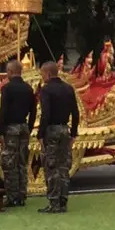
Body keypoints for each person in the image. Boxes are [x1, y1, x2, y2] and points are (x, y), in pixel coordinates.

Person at [37, 61, 80, 213]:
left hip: (51, 130)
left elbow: (45, 114)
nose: (42, 77)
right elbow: (75, 113)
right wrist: (73, 133)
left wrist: (40, 134)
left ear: (48, 74)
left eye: (42, 74)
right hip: (64, 129)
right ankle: (63, 202)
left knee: (51, 166)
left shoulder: (46, 90)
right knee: (63, 167)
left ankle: (53, 202)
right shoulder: (69, 88)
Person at [0, 59, 37, 205]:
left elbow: (3, 111)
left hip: (11, 129)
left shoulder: (7, 89)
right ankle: (21, 195)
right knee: (22, 163)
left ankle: (12, 197)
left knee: (10, 164)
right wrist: (29, 127)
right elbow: (33, 111)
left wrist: (1, 131)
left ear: (10, 71)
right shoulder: (28, 89)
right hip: (24, 127)